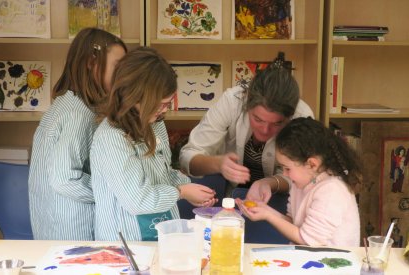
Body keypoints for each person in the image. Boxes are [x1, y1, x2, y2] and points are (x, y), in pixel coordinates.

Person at [90, 47, 217, 241]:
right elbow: (137, 200)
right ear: (135, 96)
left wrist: (193, 190)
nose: (164, 110)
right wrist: (182, 192)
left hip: (162, 232)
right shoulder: (111, 138)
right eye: (160, 104)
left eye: (168, 103)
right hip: (127, 242)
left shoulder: (155, 124)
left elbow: (163, 174)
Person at [28, 28, 127, 240]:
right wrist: (110, 194)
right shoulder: (78, 114)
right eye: (118, 67)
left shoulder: (65, 104)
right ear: (91, 63)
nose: (123, 76)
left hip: (53, 227)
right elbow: (64, 178)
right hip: (72, 231)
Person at [179, 54, 314, 201]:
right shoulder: (232, 102)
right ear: (247, 104)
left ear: (289, 117)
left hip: (279, 198)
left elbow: (303, 175)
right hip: (229, 193)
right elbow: (188, 156)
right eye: (257, 119)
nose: (264, 130)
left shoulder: (302, 117)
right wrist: (217, 164)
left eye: (277, 123)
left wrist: (270, 183)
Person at [237, 117, 362, 246]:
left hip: (331, 263)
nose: (284, 174)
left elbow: (307, 240)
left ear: (312, 164)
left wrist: (268, 215)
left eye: (287, 168)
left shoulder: (332, 191)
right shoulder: (304, 181)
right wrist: (266, 210)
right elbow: (294, 223)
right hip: (307, 259)